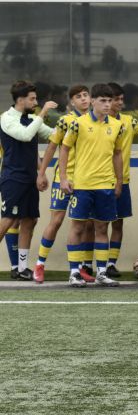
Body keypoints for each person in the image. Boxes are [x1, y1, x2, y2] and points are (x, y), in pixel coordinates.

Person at [59, 83, 125, 288]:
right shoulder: (78, 124)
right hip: (82, 185)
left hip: (105, 185)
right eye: (103, 101)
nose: (107, 105)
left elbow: (117, 154)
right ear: (93, 101)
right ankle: (74, 273)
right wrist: (63, 177)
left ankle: (102, 273)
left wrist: (119, 181)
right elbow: (64, 149)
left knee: (102, 227)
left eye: (110, 101)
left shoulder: (116, 125)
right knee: (77, 226)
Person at [33, 85, 91, 283]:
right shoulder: (66, 121)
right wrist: (41, 173)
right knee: (56, 221)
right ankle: (40, 264)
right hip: (62, 180)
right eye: (78, 97)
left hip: (85, 181)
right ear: (72, 103)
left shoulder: (96, 120)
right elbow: (51, 148)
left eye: (85, 95)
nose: (83, 99)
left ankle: (78, 268)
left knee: (81, 224)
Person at [0, 81, 56, 280]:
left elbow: (54, 135)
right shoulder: (6, 118)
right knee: (8, 220)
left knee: (30, 220)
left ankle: (21, 268)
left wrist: (73, 126)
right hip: (12, 178)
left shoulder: (31, 118)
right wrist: (42, 115)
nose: (36, 102)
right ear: (20, 99)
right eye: (32, 98)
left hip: (30, 178)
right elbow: (25, 135)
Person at [107, 82, 138, 278]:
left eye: (121, 99)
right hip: (97, 182)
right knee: (93, 225)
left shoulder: (128, 121)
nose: (120, 102)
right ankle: (86, 264)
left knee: (118, 224)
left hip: (122, 181)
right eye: (116, 99)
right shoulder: (93, 122)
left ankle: (110, 263)